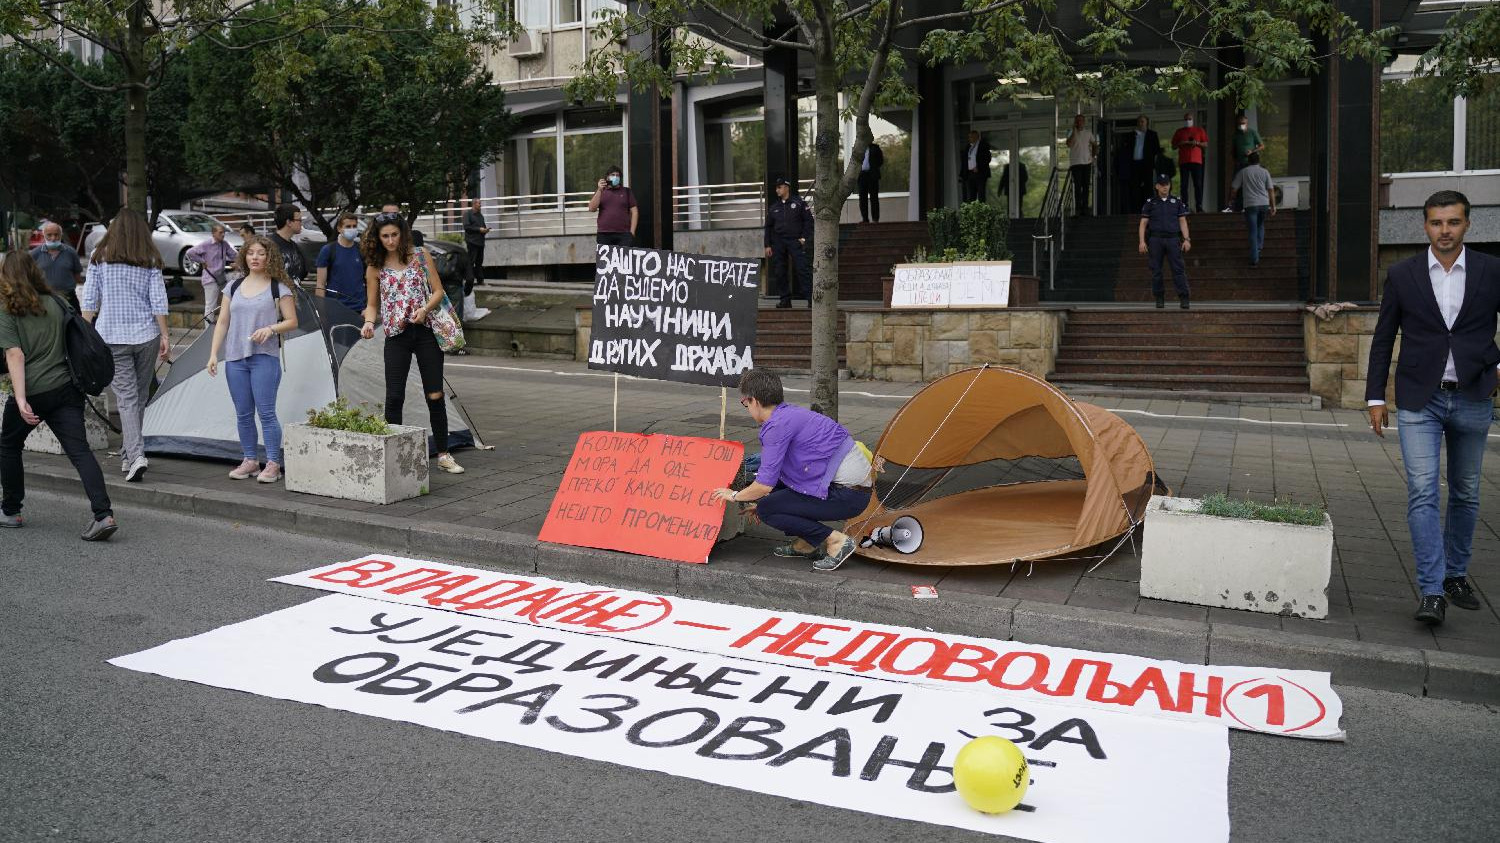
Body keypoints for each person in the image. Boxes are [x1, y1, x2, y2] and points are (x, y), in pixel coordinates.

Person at [1365, 190, 1499, 627]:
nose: (1445, 231)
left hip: (1473, 396)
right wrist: (1375, 396)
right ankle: (1432, 590)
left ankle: (1456, 574)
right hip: (1419, 399)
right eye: (1437, 223)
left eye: (1453, 222)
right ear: (1424, 225)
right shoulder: (1402, 274)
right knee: (1423, 492)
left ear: (1467, 224)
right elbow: (1384, 336)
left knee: (1466, 492)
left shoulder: (1490, 270)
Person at [0, 251, 117, 539]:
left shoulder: (7, 309)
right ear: (36, 271)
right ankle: (104, 515)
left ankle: (11, 510)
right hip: (67, 390)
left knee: (8, 446)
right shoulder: (57, 302)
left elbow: (14, 354)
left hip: (34, 391)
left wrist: (21, 398)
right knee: (79, 452)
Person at [712, 369, 872, 572]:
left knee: (768, 509)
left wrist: (735, 495)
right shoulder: (790, 414)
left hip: (849, 494)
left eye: (745, 404)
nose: (747, 408)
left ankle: (836, 541)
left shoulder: (775, 426)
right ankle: (806, 545)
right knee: (775, 496)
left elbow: (763, 485)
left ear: (754, 401)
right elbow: (774, 479)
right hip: (853, 489)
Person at [360, 212, 465, 475]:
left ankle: (443, 453)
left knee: (435, 394)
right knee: (394, 396)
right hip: (396, 336)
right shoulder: (375, 266)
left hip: (426, 331)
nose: (391, 240)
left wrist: (425, 309)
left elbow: (438, 290)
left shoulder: (420, 255)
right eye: (385, 236)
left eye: (395, 234)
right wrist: (370, 323)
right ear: (377, 237)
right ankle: (392, 456)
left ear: (402, 233)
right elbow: (373, 305)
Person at [80, 207, 169, 483]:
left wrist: (84, 334)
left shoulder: (99, 257)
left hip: (112, 336)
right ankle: (131, 454)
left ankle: (134, 454)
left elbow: (90, 299)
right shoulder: (150, 258)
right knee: (139, 397)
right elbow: (159, 300)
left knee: (129, 399)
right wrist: (166, 336)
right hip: (146, 335)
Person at [205, 237, 297, 483]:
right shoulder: (233, 287)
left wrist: (271, 329)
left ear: (270, 257)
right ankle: (250, 460)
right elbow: (222, 321)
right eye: (251, 253)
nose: (255, 257)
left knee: (266, 413)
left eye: (261, 253)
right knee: (243, 413)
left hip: (264, 357)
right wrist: (214, 354)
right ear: (244, 257)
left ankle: (273, 464)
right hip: (235, 358)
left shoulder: (279, 288)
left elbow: (292, 321)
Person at [1138, 174, 1192, 309]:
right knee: (1156, 270)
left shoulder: (1177, 201)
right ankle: (1159, 297)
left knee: (1178, 270)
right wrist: (1141, 242)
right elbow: (1143, 223)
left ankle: (1184, 297)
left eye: (1167, 184)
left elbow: (1182, 221)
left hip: (1173, 239)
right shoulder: (1151, 202)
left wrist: (1186, 239)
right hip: (1155, 240)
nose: (1165, 187)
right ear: (1157, 186)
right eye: (1162, 185)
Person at [763, 177, 813, 309]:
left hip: (795, 241)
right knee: (780, 271)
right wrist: (767, 245)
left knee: (802, 269)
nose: (777, 190)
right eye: (776, 188)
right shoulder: (774, 207)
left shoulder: (799, 203)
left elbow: (809, 221)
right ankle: (785, 300)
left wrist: (803, 238)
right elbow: (768, 227)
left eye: (779, 187)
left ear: (786, 187)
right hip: (779, 243)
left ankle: (811, 300)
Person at [182, 222, 237, 324]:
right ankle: (207, 330)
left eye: (224, 232)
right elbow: (190, 252)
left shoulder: (224, 244)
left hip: (221, 276)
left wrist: (239, 261)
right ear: (214, 233)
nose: (223, 235)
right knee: (210, 305)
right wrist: (202, 261)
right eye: (220, 233)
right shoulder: (206, 244)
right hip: (210, 278)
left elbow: (234, 255)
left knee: (230, 298)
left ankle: (228, 324)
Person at [314, 211, 367, 313]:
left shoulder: (361, 250)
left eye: (354, 226)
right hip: (335, 308)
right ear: (339, 229)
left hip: (359, 308)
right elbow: (320, 284)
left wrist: (368, 307)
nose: (352, 229)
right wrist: (321, 311)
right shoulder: (328, 250)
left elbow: (369, 281)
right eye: (348, 226)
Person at [1229, 152, 1276, 267]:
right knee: (1260, 226)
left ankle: (1254, 258)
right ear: (1258, 161)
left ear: (1248, 161)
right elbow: (1270, 190)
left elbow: (1234, 188)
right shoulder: (1265, 172)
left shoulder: (1243, 172)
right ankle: (1259, 248)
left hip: (1250, 205)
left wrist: (1232, 199)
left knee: (1252, 230)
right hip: (1264, 204)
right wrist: (1273, 206)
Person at [29, 221, 84, 312]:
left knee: (76, 323)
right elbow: (29, 276)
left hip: (68, 298)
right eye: (49, 235)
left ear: (61, 235)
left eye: (56, 235)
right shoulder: (35, 254)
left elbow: (77, 276)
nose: (53, 238)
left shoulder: (71, 252)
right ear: (44, 235)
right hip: (44, 298)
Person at [588, 165, 638, 248]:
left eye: (617, 175)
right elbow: (591, 208)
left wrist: (632, 232)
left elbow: (635, 211)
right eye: (612, 175)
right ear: (607, 177)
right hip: (604, 234)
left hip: (624, 235)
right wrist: (599, 189)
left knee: (623, 260)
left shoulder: (626, 191)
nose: (615, 177)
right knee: (605, 261)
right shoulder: (601, 191)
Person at [1223, 114, 1264, 212]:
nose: (1242, 125)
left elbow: (1262, 146)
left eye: (1243, 123)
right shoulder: (1236, 135)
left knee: (1249, 184)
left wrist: (1252, 151)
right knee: (1235, 184)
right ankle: (1232, 206)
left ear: (1247, 123)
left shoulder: (1252, 133)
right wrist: (1234, 160)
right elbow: (1232, 150)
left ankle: (1248, 205)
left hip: (1250, 163)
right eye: (1240, 123)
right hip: (1239, 163)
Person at [1170, 111, 1208, 213]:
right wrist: (1181, 143)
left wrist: (1197, 143)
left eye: (1189, 119)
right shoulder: (1179, 132)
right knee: (1184, 184)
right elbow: (1173, 146)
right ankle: (1185, 205)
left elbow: (1205, 144)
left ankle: (1199, 206)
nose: (1188, 121)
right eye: (1186, 119)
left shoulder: (1199, 130)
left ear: (1193, 119)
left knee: (1198, 184)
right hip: (1184, 161)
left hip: (1197, 160)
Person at [1127, 115, 1162, 212]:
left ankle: (1149, 208)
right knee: (1135, 187)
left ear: (1147, 123)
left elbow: (1156, 150)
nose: (1140, 123)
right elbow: (1127, 150)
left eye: (1142, 121)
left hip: (1147, 164)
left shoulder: (1152, 134)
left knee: (1148, 187)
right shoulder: (1132, 135)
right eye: (1139, 122)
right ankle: (1136, 209)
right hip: (1135, 164)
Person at [1065, 114, 1098, 216]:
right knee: (1077, 186)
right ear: (1075, 122)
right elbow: (1069, 144)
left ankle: (1085, 208)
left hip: (1086, 163)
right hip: (1075, 163)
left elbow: (1095, 144)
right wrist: (1074, 131)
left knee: (1086, 186)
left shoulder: (1088, 133)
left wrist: (1093, 156)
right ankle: (1078, 208)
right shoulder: (1071, 132)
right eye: (1077, 121)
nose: (1079, 122)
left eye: (1081, 121)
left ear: (1084, 122)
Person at [268, 203, 306, 285]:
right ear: (289, 222)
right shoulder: (269, 245)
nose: (301, 223)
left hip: (294, 295)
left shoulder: (295, 246)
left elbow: (302, 272)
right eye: (299, 220)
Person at [462, 198, 489, 290]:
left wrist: (485, 230)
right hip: (472, 242)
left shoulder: (480, 216)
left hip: (480, 242)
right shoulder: (468, 214)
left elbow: (483, 226)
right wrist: (479, 229)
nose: (480, 205)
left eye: (480, 203)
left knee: (479, 262)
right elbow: (467, 227)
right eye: (479, 203)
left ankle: (480, 280)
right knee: (471, 261)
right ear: (474, 204)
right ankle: (469, 280)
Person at [960, 130, 992, 203]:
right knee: (970, 195)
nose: (970, 139)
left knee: (981, 195)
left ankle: (982, 212)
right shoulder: (968, 146)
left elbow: (987, 158)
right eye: (969, 137)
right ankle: (971, 212)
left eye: (971, 137)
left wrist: (979, 167)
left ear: (977, 137)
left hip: (980, 173)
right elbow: (964, 160)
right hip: (969, 174)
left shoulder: (983, 145)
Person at [857, 141, 884, 223]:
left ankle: (875, 219)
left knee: (874, 198)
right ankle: (865, 219)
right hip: (862, 176)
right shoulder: (858, 149)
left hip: (872, 176)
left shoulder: (875, 148)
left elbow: (880, 161)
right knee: (862, 198)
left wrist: (874, 167)